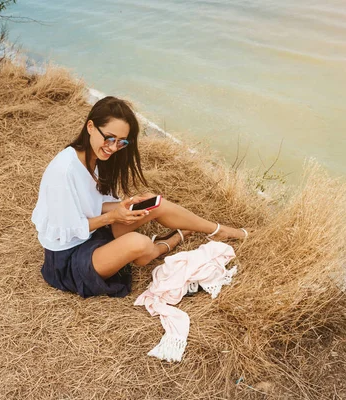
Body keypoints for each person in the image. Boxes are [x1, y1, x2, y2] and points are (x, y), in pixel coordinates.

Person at [31, 96, 250, 298]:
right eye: (109, 138)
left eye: (121, 142)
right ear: (90, 127)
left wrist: (123, 207)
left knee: (152, 202)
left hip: (92, 236)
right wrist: (113, 217)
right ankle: (171, 241)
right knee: (141, 245)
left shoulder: (94, 159)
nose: (113, 147)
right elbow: (65, 230)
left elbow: (88, 204)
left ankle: (218, 230)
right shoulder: (65, 170)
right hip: (69, 259)